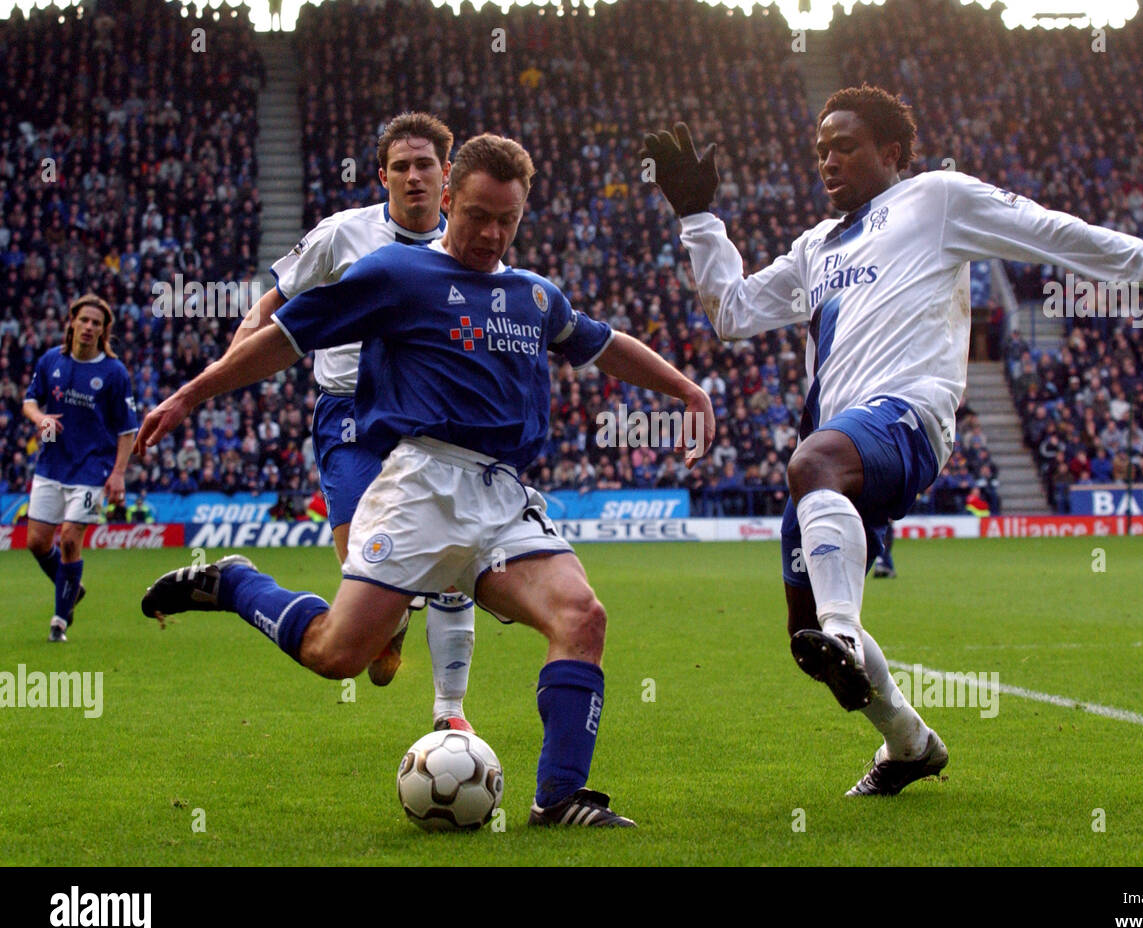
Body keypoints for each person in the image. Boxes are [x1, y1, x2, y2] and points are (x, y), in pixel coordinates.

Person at [641, 85, 1143, 797]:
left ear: (894, 152)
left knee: (810, 475)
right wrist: (698, 218)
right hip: (842, 440)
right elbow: (734, 313)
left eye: (844, 145)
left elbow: (1051, 231)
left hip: (910, 416)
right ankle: (909, 744)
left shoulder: (936, 198)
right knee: (800, 628)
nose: (828, 161)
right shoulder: (816, 246)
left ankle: (844, 632)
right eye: (820, 150)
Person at [135, 134, 715, 827]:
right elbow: (284, 339)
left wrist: (688, 391)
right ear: (448, 201)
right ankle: (236, 583)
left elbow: (604, 344)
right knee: (339, 656)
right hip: (418, 489)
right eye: (476, 216)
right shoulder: (394, 276)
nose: (491, 234)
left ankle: (559, 797)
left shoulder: (533, 295)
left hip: (503, 495)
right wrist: (189, 396)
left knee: (581, 617)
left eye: (508, 220)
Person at [228, 112, 477, 730]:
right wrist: (236, 351)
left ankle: (451, 714)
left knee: (453, 563)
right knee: (362, 572)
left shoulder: (467, 246)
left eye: (425, 166)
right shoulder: (343, 234)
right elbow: (276, 300)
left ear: (447, 176)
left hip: (431, 417)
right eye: (401, 167)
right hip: (350, 414)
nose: (413, 177)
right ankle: (388, 617)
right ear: (383, 176)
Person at [22, 294, 138, 643]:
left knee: (71, 537)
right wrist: (42, 419)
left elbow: (127, 428)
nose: (89, 327)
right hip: (51, 464)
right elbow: (29, 402)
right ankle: (72, 586)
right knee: (37, 543)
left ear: (104, 331)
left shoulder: (114, 373)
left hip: (92, 468)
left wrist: (117, 473)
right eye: (84, 320)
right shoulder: (50, 361)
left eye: (96, 324)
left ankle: (59, 621)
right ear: (71, 321)